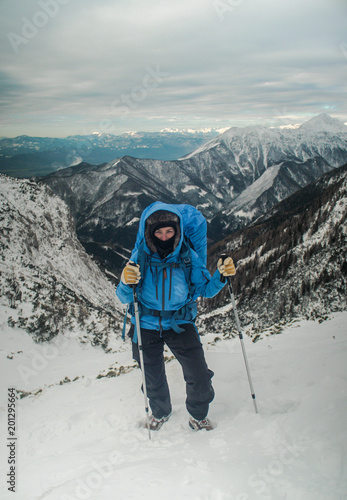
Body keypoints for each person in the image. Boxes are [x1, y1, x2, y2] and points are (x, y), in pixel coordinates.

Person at [116, 202, 236, 431]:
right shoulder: (139, 257)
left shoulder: (187, 257)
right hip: (145, 322)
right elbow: (123, 296)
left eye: (169, 231)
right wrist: (124, 279)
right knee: (152, 377)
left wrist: (221, 276)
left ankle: (198, 415)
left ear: (177, 231)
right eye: (158, 232)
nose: (163, 236)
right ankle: (161, 412)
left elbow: (205, 290)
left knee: (199, 374)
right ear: (150, 232)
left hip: (179, 323)